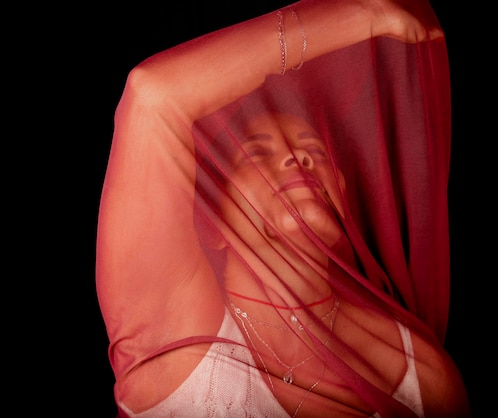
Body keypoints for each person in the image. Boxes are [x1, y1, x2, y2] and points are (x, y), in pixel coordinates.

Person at [96, 0, 471, 416]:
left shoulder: (424, 376)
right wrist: (368, 15)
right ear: (214, 226)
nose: (298, 158)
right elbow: (154, 94)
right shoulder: (170, 330)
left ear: (344, 202)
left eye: (315, 150)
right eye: (258, 155)